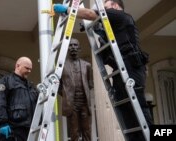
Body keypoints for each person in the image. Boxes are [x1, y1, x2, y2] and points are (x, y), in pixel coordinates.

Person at [54, 0, 153, 141]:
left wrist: (67, 10)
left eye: (105, 8)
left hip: (131, 68)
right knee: (127, 113)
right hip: (122, 71)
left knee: (139, 109)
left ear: (114, 6)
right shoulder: (115, 28)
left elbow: (89, 14)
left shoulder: (120, 15)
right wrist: (100, 32)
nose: (103, 12)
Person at [0, 56, 39, 141]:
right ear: (18, 66)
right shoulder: (6, 81)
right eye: (27, 68)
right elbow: (0, 102)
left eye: (30, 69)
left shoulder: (31, 86)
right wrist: (3, 123)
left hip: (28, 130)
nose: (29, 71)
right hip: (12, 130)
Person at [60, 38, 93, 141]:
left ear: (79, 48)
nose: (73, 47)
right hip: (72, 104)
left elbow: (90, 84)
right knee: (74, 132)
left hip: (84, 103)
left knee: (87, 131)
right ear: (67, 48)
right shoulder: (61, 66)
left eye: (75, 45)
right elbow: (58, 86)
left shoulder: (87, 65)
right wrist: (66, 94)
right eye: (70, 45)